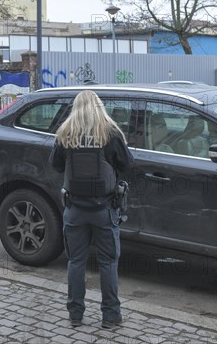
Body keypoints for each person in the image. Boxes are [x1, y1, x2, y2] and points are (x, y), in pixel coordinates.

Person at [49, 90, 133, 329]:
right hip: (104, 210)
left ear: (75, 109)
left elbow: (55, 166)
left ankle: (75, 315)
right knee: (108, 263)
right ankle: (110, 316)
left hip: (74, 209)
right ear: (99, 107)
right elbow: (126, 164)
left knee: (76, 261)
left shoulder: (66, 134)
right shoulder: (110, 133)